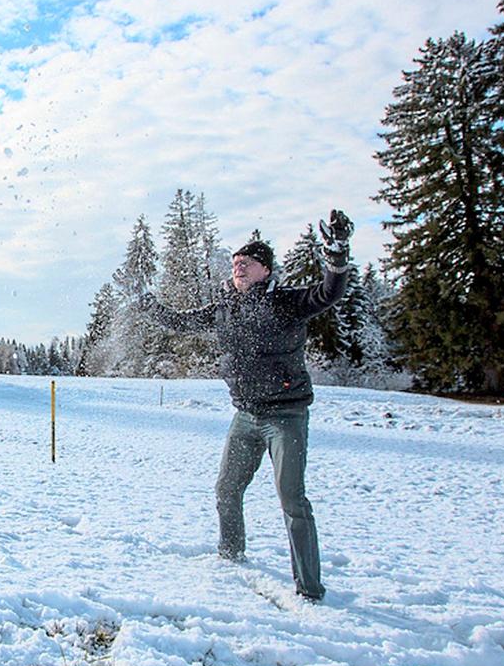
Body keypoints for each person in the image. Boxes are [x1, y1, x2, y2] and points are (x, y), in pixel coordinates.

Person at [141, 210, 353, 602]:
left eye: (246, 264)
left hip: (285, 416)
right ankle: (231, 555)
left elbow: (328, 294)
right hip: (245, 415)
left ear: (265, 270)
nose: (237, 268)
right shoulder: (225, 306)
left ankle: (309, 588)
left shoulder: (286, 302)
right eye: (235, 263)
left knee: (292, 498)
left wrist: (336, 259)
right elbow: (182, 322)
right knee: (227, 488)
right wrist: (146, 303)